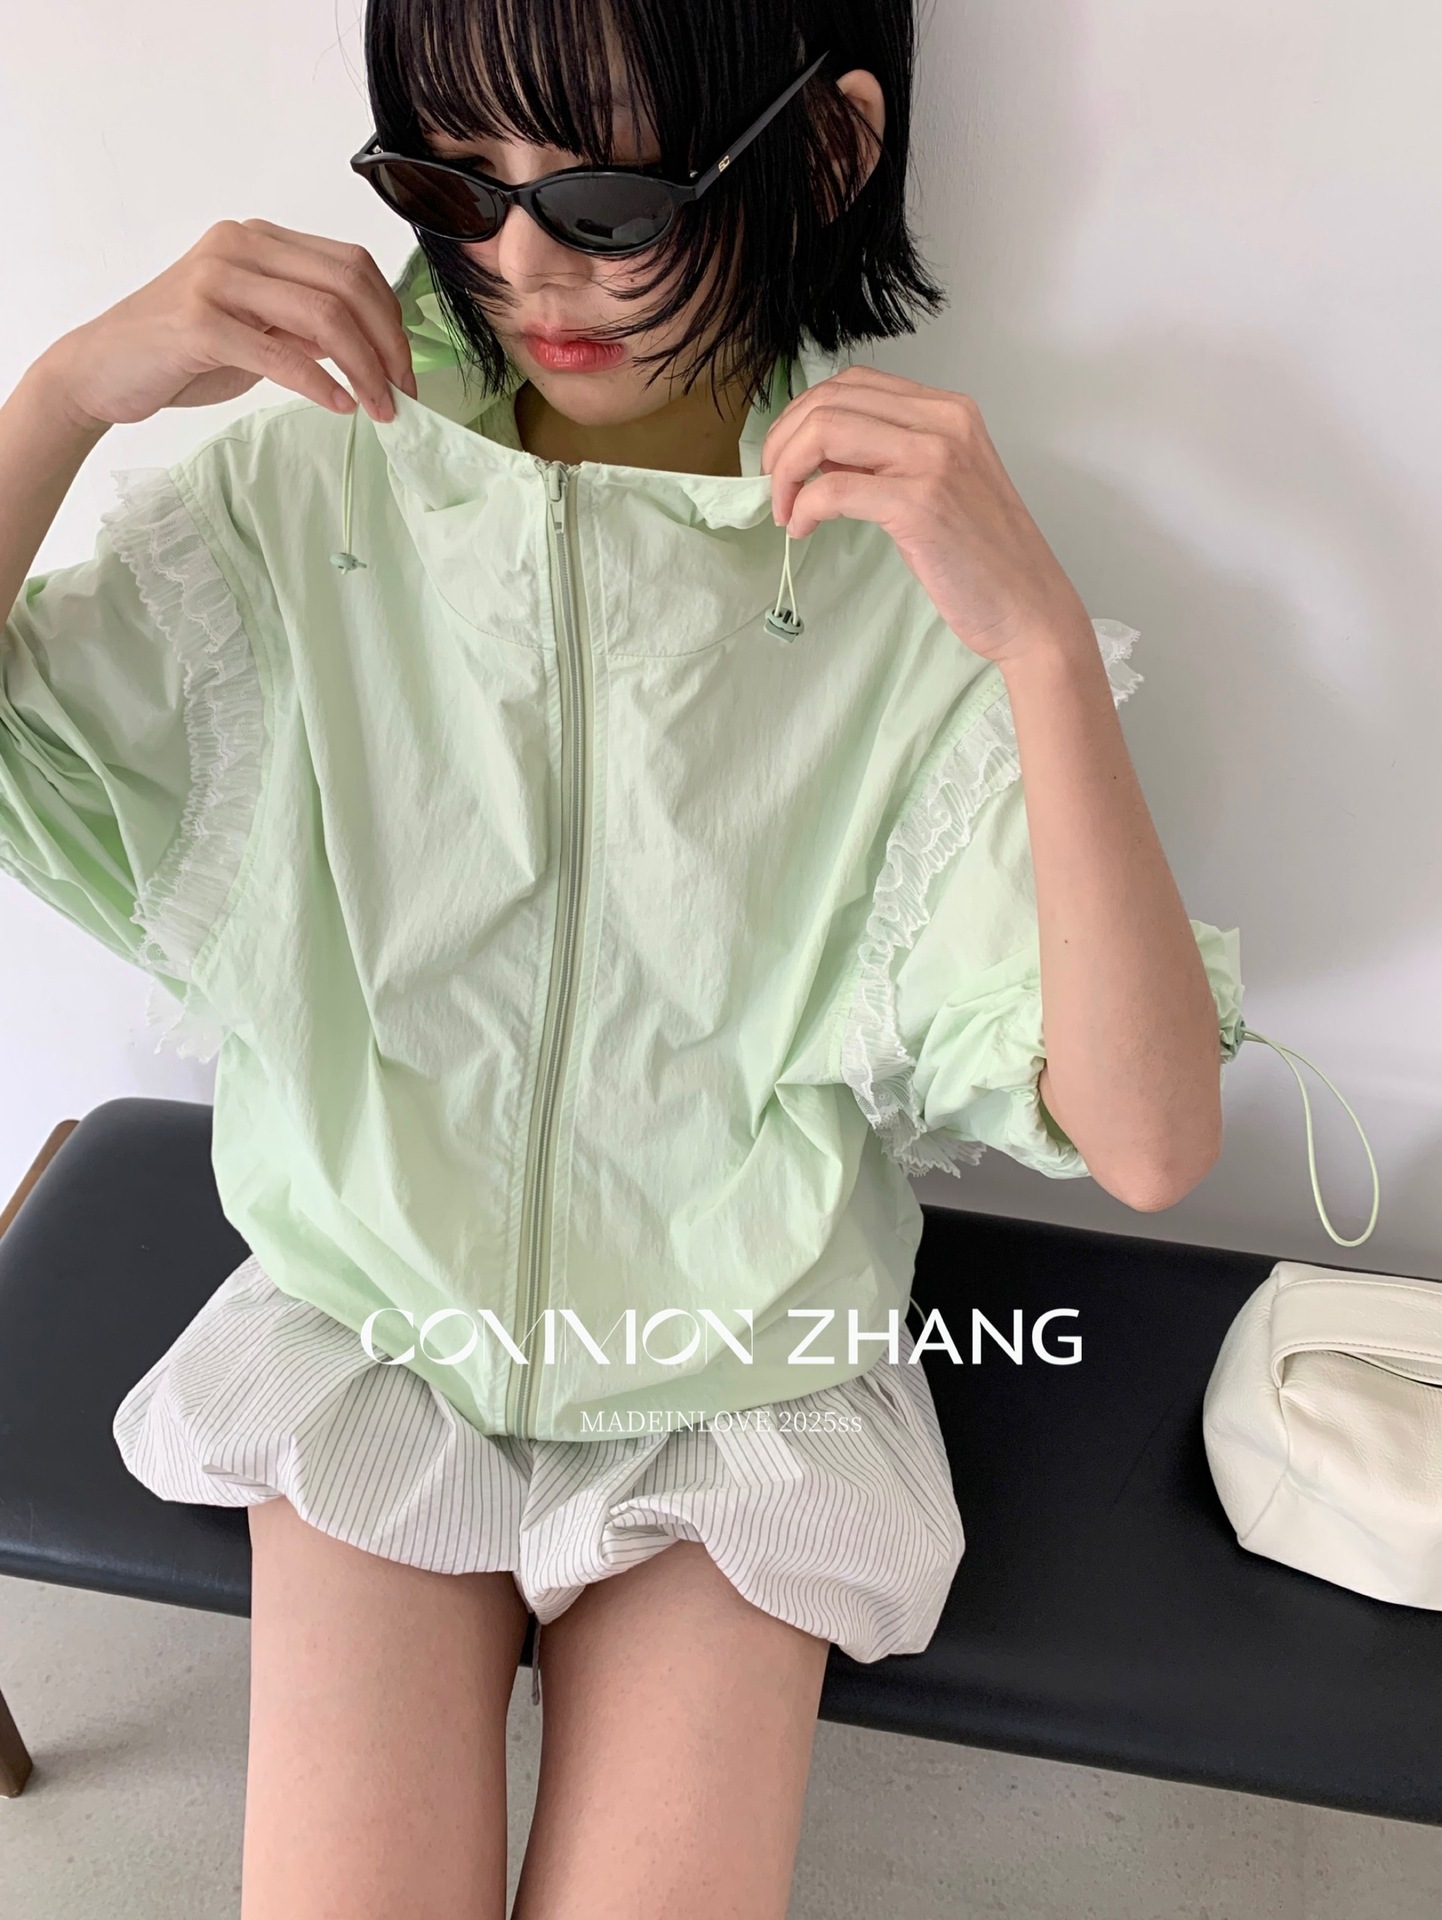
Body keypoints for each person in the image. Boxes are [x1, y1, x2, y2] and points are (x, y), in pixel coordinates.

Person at [0, 4, 1251, 1915]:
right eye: (451, 184)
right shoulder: (305, 495)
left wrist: (1041, 651)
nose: (520, 266)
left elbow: (1151, 1141)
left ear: (823, 153)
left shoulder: (907, 580)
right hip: (378, 1331)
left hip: (739, 1380)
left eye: (606, 200)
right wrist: (61, 397)